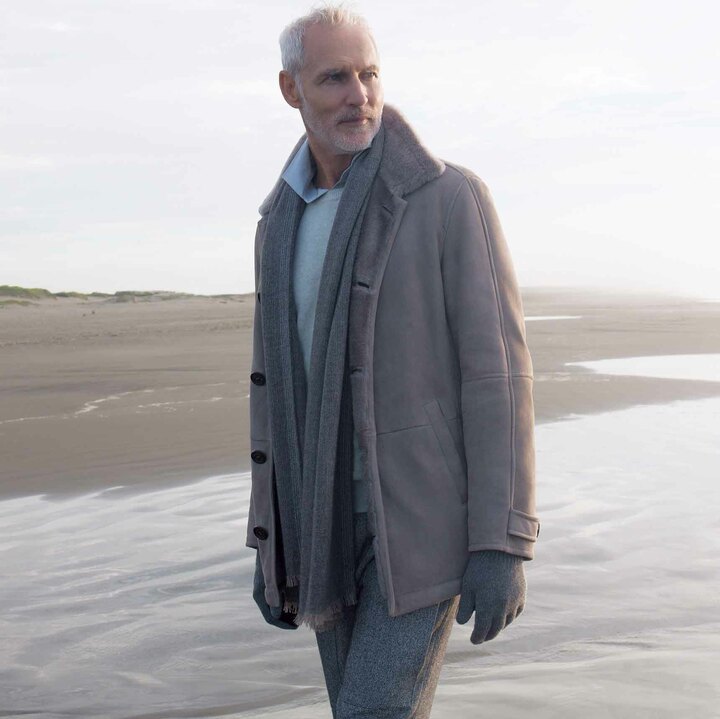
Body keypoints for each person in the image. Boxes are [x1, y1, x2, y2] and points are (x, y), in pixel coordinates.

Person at [245, 5, 540, 717]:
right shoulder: (279, 222)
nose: (360, 96)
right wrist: (270, 543)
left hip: (421, 522)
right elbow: (275, 391)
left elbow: (498, 378)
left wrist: (503, 540)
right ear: (290, 89)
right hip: (321, 526)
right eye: (335, 78)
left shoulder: (448, 198)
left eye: (369, 74)